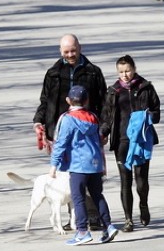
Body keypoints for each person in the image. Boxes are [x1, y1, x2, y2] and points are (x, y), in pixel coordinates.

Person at [34, 34, 108, 231]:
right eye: (66, 52)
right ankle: (75, 218)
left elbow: (104, 103)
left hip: (87, 131)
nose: (70, 55)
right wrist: (39, 121)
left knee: (89, 172)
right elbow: (45, 101)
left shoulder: (93, 72)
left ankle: (93, 216)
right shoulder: (53, 73)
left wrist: (105, 127)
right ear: (60, 51)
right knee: (67, 177)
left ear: (80, 48)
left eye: (73, 50)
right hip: (60, 132)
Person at [49, 85, 119, 246]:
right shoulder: (93, 117)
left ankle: (82, 231)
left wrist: (54, 165)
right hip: (95, 163)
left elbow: (60, 143)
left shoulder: (67, 119)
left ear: (68, 101)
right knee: (97, 195)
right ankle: (108, 226)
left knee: (78, 198)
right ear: (86, 101)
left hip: (78, 165)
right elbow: (99, 138)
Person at [100, 55, 160, 232]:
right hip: (121, 141)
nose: (124, 75)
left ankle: (143, 204)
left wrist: (148, 116)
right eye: (121, 72)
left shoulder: (146, 88)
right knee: (125, 181)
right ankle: (128, 220)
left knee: (141, 179)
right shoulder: (113, 91)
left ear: (134, 69)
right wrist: (102, 133)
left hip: (141, 140)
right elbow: (106, 117)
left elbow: (157, 112)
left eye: (127, 71)